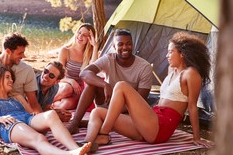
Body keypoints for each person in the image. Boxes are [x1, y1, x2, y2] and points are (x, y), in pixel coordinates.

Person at [83, 32, 213, 148]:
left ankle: (104, 133)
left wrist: (196, 137)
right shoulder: (171, 71)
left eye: (170, 52)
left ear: (182, 54)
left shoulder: (191, 74)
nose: (167, 56)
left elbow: (192, 106)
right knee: (97, 112)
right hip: (150, 122)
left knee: (121, 86)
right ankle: (86, 144)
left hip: (160, 127)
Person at [0, 65, 94, 155]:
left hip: (27, 119)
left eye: (11, 77)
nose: (11, 81)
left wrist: (40, 116)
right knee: (39, 138)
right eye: (7, 77)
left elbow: (31, 114)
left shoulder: (16, 96)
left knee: (51, 115)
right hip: (11, 124)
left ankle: (77, 150)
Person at [67, 29, 153, 134]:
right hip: (107, 103)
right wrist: (104, 84)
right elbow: (84, 73)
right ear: (113, 47)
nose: (125, 47)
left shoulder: (144, 67)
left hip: (128, 110)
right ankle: (75, 123)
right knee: (91, 85)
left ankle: (101, 122)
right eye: (120, 44)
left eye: (128, 44)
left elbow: (141, 100)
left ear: (132, 45)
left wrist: (114, 112)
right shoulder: (108, 59)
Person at [52, 23, 98, 110]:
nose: (80, 36)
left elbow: (94, 68)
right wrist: (71, 81)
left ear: (89, 38)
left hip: (78, 90)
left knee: (65, 106)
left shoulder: (90, 55)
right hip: (64, 85)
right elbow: (58, 76)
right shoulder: (66, 50)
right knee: (67, 88)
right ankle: (43, 102)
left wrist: (95, 46)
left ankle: (51, 107)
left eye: (84, 35)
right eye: (79, 33)